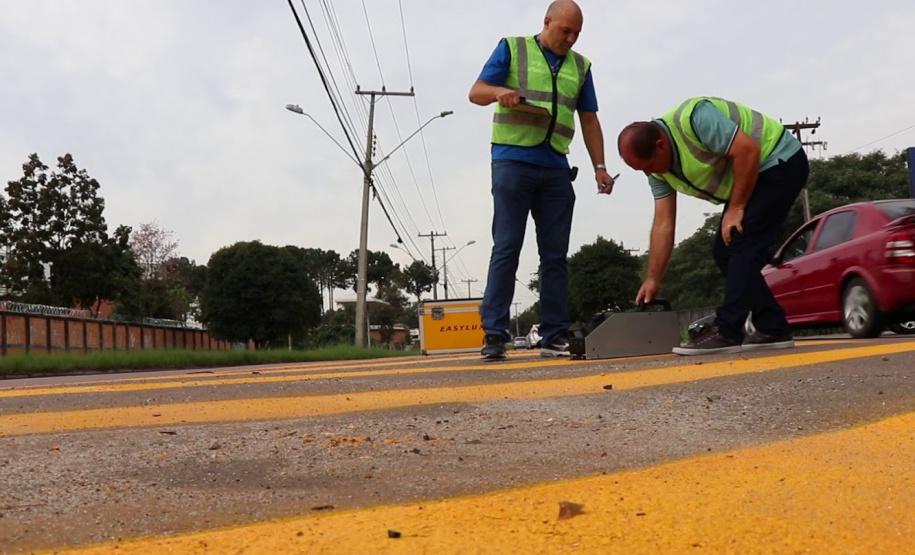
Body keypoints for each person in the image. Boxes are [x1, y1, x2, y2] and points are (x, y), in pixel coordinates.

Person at [469, 0, 614, 360]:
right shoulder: (514, 48)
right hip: (512, 162)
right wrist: (499, 92)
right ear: (547, 22)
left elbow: (589, 119)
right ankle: (495, 335)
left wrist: (600, 166)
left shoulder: (580, 67)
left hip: (555, 167)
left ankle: (553, 334)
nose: (570, 38)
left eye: (576, 33)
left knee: (555, 255)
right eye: (565, 30)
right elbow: (476, 92)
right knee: (506, 247)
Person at [618, 97, 809, 355]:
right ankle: (771, 327)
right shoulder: (660, 172)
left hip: (778, 160)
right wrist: (653, 278)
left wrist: (737, 207)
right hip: (753, 177)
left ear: (660, 145)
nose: (648, 174)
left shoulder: (695, 119)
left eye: (648, 166)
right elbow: (663, 224)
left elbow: (748, 151)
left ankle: (728, 330)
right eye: (640, 170)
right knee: (724, 251)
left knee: (741, 240)